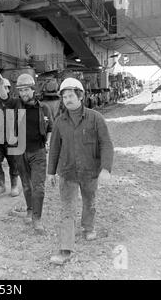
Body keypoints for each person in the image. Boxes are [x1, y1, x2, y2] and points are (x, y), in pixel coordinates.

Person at [47, 77, 114, 265]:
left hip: (89, 171)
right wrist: (51, 172)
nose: (67, 100)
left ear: (81, 96)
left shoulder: (95, 118)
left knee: (89, 202)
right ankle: (66, 249)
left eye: (70, 95)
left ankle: (88, 227)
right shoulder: (60, 122)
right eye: (64, 97)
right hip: (67, 172)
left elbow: (106, 144)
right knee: (67, 209)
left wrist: (106, 168)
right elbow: (54, 149)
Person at [0, 72, 53, 234]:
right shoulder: (16, 104)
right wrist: (0, 85)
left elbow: (50, 129)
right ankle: (29, 209)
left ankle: (37, 218)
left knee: (38, 187)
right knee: (26, 185)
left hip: (38, 152)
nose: (24, 93)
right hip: (19, 151)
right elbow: (4, 97)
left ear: (33, 89)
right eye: (20, 90)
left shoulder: (44, 108)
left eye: (26, 90)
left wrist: (47, 140)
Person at [0, 79, 20, 198]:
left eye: (6, 87)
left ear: (8, 89)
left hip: (12, 139)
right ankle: (1, 185)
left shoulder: (15, 102)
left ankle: (14, 186)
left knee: (14, 163)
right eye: (2, 87)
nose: (3, 90)